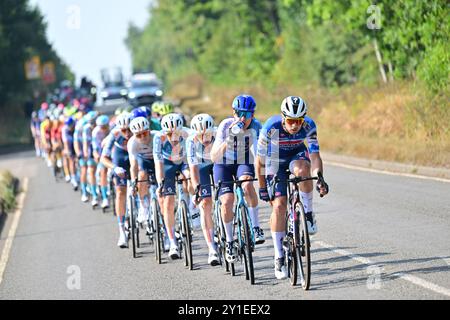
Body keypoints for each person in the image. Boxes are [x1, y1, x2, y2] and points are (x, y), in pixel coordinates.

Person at [255, 96, 329, 279]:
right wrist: (263, 187)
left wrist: (319, 177)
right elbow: (259, 161)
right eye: (290, 121)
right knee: (279, 206)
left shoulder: (309, 125)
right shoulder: (270, 128)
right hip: (274, 160)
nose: (295, 125)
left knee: (304, 169)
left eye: (298, 121)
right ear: (283, 118)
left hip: (296, 154)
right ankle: (279, 256)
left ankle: (309, 214)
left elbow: (314, 155)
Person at [210, 94, 265, 263]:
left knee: (248, 185)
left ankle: (255, 227)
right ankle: (229, 241)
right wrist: (229, 139)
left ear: (253, 115)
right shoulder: (225, 125)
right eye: (239, 113)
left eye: (247, 115)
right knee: (227, 201)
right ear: (233, 113)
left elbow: (259, 154)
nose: (243, 118)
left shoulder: (256, 126)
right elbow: (213, 157)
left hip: (244, 160)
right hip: (223, 164)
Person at [153, 113, 191, 259]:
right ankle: (172, 242)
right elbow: (158, 162)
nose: (173, 137)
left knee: (189, 177)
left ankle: (192, 210)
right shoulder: (159, 138)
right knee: (168, 202)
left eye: (176, 133)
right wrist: (160, 182)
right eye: (170, 134)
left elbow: (192, 161)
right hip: (167, 165)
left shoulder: (188, 134)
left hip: (183, 162)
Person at [187, 113, 220, 266]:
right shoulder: (190, 142)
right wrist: (196, 188)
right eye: (201, 135)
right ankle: (211, 248)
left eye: (207, 134)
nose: (205, 138)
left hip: (219, 164)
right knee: (205, 204)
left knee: (227, 197)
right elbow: (193, 168)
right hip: (201, 167)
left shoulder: (219, 133)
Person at [101, 113, 133, 248]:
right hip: (120, 157)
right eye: (123, 130)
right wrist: (114, 168)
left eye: (129, 129)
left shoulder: (140, 131)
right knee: (120, 192)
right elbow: (103, 158)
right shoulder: (114, 134)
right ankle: (122, 230)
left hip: (135, 156)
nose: (126, 133)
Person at [128, 116, 157, 235]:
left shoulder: (157, 137)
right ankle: (143, 205)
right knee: (142, 174)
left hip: (157, 160)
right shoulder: (132, 143)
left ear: (149, 130)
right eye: (138, 135)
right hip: (143, 161)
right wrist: (134, 183)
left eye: (144, 133)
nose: (143, 137)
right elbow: (133, 165)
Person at [92, 115, 111, 209]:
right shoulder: (96, 132)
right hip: (101, 151)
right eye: (101, 127)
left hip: (111, 150)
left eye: (104, 127)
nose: (103, 129)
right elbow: (95, 148)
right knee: (103, 171)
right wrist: (96, 155)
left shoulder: (112, 128)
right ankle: (105, 198)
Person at [61, 116, 78, 190]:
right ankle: (73, 178)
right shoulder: (64, 129)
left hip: (77, 141)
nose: (69, 127)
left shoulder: (77, 125)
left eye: (70, 125)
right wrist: (68, 151)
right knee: (71, 160)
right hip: (69, 142)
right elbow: (65, 141)